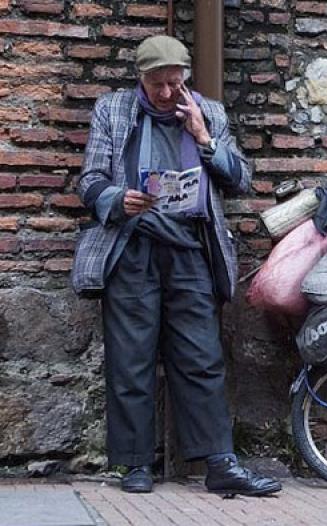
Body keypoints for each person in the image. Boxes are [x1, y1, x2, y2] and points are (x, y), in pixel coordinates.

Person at [71, 35, 281, 496]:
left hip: (189, 248)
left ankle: (220, 463)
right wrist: (115, 198)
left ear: (185, 78)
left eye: (174, 83)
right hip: (132, 246)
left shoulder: (211, 113)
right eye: (156, 84)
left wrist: (204, 138)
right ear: (140, 78)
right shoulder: (114, 111)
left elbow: (240, 179)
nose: (166, 93)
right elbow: (89, 180)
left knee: (202, 357)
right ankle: (135, 464)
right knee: (131, 358)